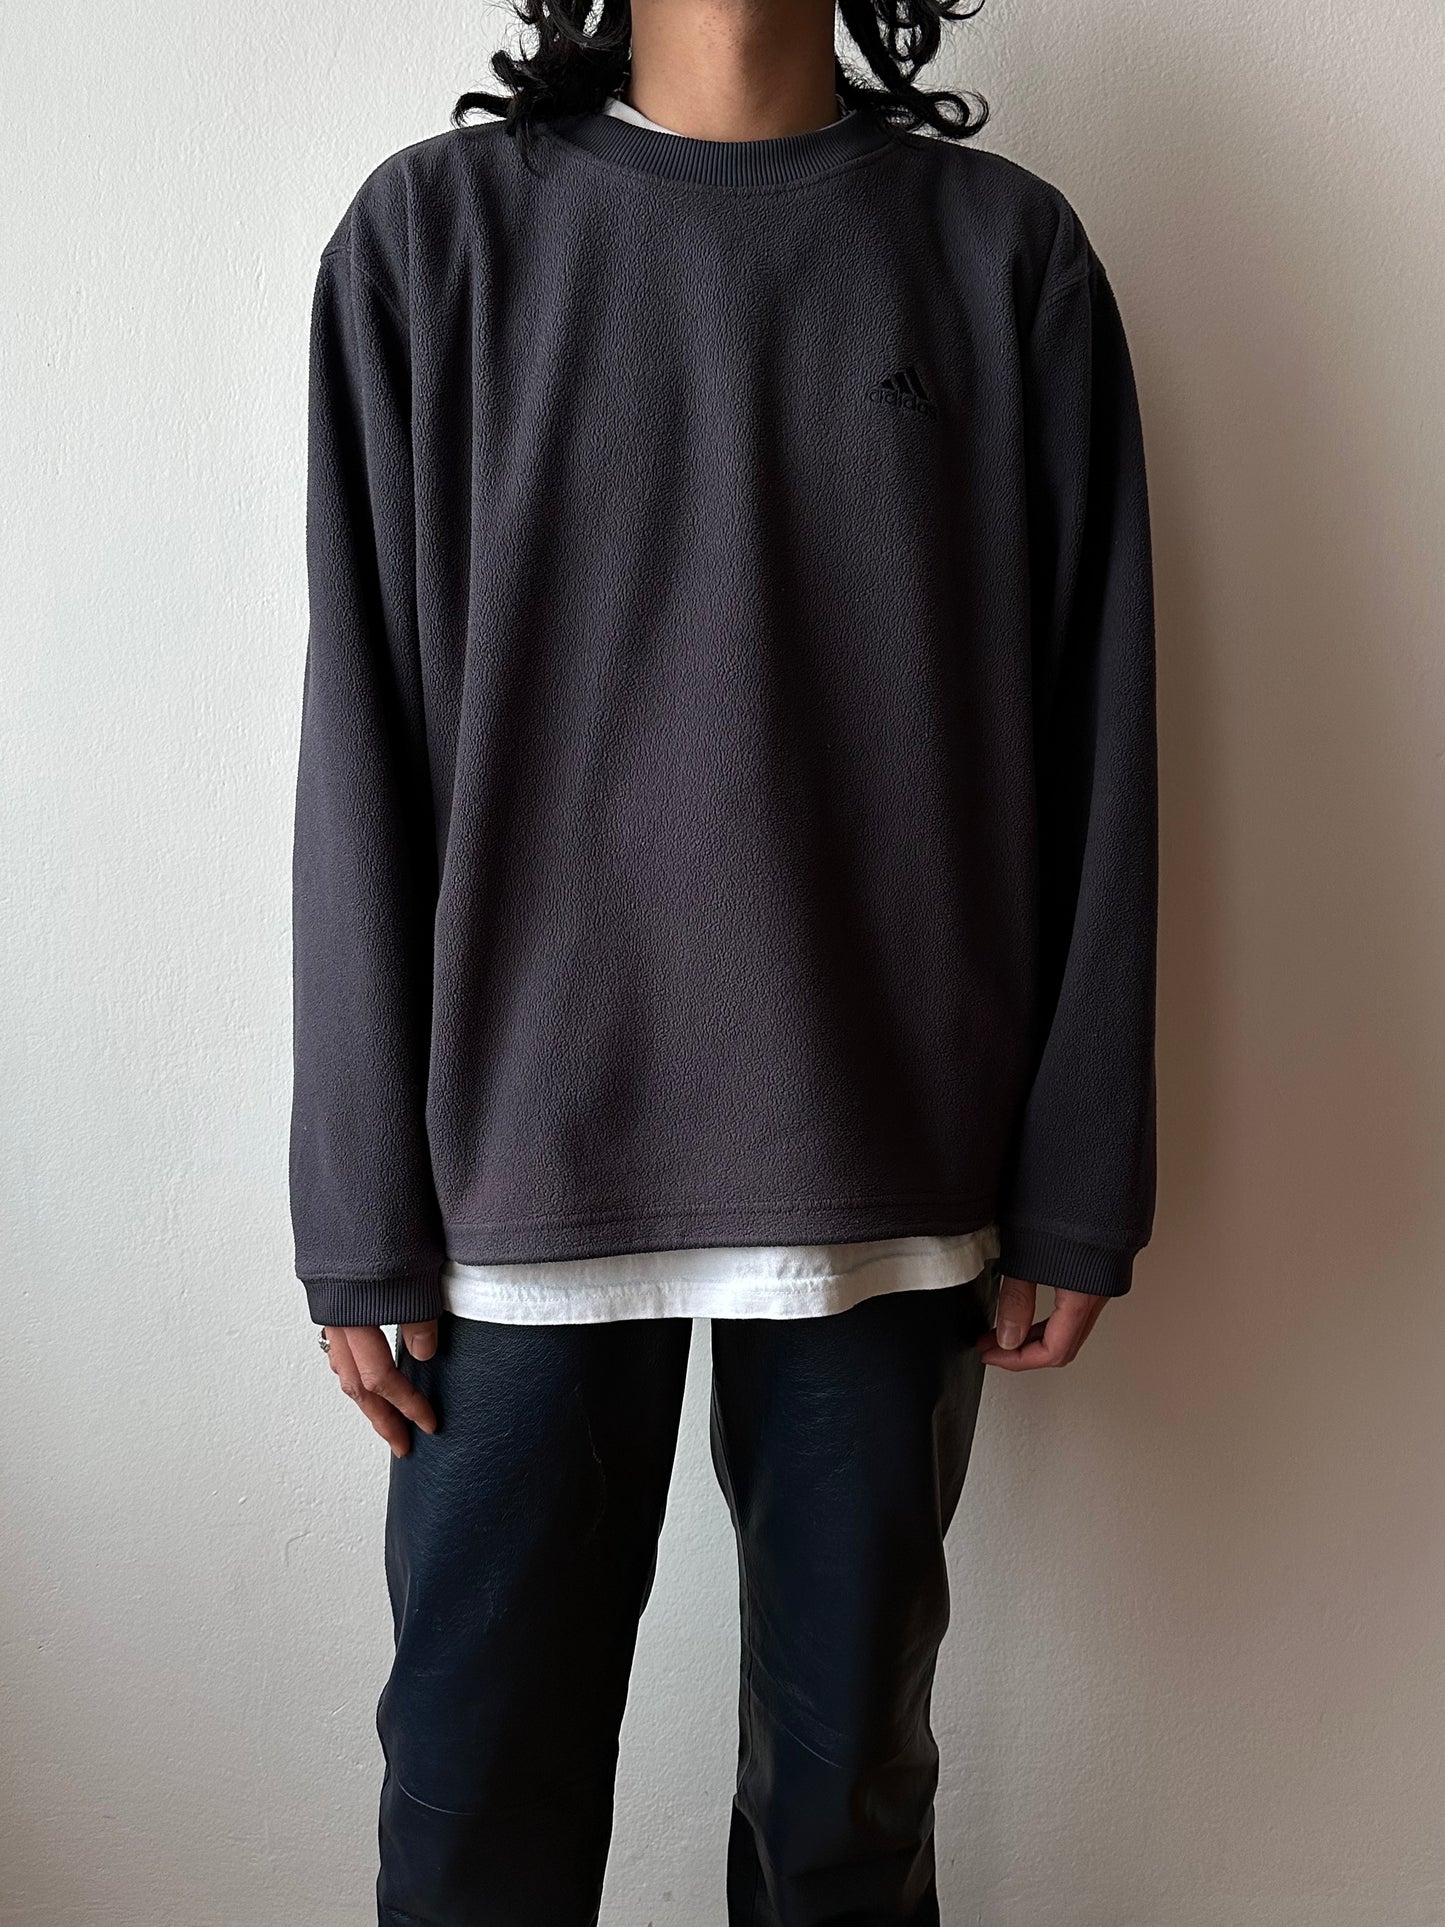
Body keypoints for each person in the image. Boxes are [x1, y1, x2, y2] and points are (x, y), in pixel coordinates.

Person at [288, 1, 1158, 1920]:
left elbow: (1098, 732)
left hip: (893, 1162)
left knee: (846, 1818)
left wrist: (1080, 1176)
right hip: (510, 1176)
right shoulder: (432, 241)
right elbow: (361, 737)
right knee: (471, 1818)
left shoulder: (1000, 253)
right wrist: (354, 1205)